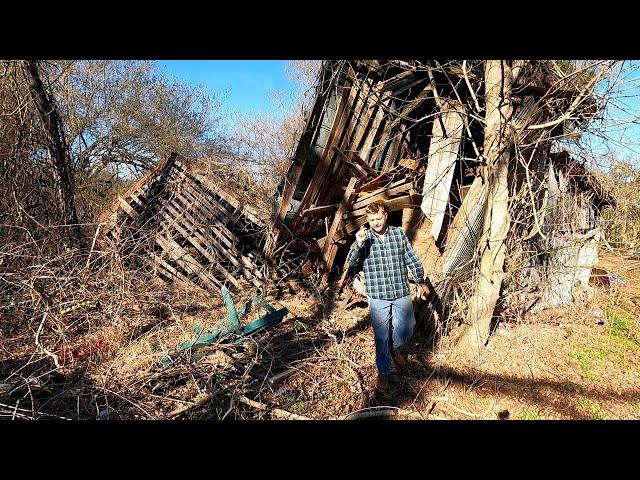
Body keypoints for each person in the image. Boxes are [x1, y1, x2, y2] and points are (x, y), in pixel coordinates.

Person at [346, 201, 430, 392]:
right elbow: (351, 264)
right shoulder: (364, 238)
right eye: (372, 220)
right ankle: (383, 371)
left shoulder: (398, 234)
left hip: (400, 290)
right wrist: (358, 245)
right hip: (377, 294)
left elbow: (411, 258)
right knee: (381, 335)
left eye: (378, 218)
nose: (376, 223)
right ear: (368, 220)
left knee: (407, 326)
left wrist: (420, 280)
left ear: (385, 215)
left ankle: (394, 346)